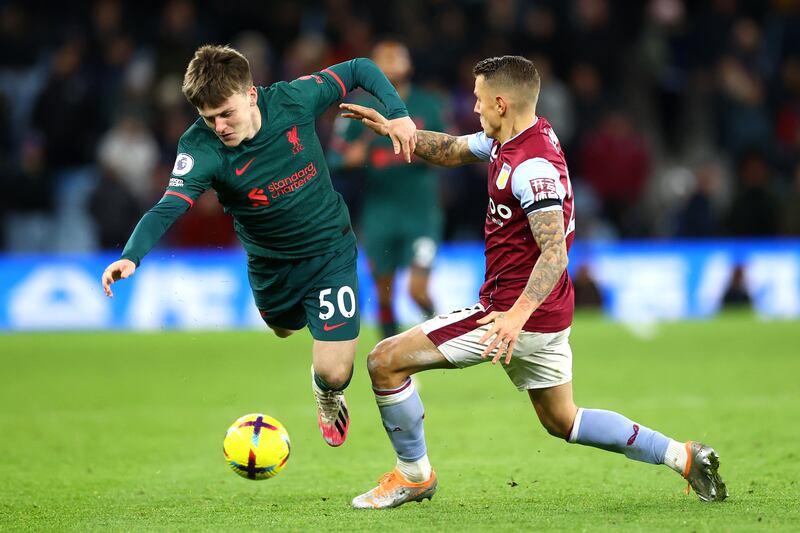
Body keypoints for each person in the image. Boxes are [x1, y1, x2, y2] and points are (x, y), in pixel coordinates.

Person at [340, 55, 727, 508]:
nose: (474, 106)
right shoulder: (519, 137)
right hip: (549, 313)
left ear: (501, 103)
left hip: (512, 313)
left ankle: (414, 475)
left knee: (384, 361)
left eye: (479, 99)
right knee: (564, 420)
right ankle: (683, 456)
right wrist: (395, 130)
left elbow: (555, 253)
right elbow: (451, 150)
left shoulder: (531, 166)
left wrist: (514, 317)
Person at [100, 44, 417, 448]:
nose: (219, 126)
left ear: (250, 95)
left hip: (330, 253)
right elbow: (168, 207)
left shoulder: (293, 99)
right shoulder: (200, 148)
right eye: (208, 118)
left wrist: (398, 114)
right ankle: (302, 334)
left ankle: (327, 395)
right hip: (270, 265)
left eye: (226, 114)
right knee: (284, 329)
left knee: (336, 371)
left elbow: (359, 68)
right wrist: (131, 256)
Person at [329, 40, 446, 338]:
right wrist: (348, 158)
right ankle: (393, 359)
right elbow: (332, 158)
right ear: (373, 68)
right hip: (379, 213)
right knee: (383, 296)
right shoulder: (357, 109)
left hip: (421, 212)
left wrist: (429, 155)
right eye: (385, 58)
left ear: (409, 65)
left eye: (398, 57)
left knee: (417, 291)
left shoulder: (428, 105)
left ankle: (447, 337)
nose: (392, 63)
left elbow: (449, 150)